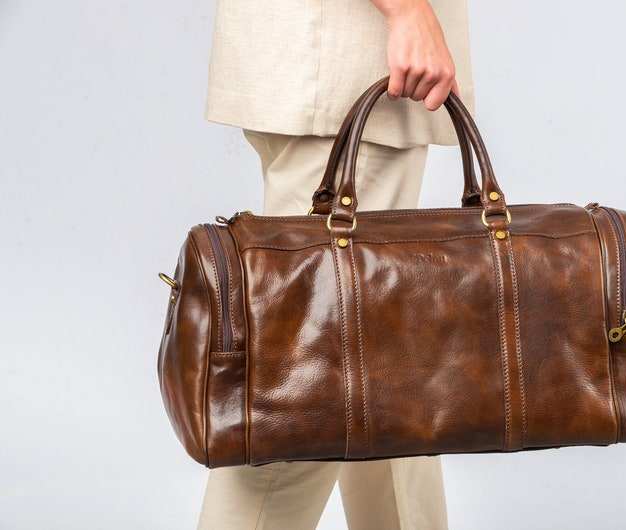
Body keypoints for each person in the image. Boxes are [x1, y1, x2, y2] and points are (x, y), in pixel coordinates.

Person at [197, 0, 473, 528]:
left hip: (332, 68)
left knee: (388, 383)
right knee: (305, 400)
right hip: (354, 64)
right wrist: (407, 10)